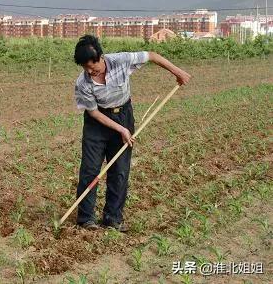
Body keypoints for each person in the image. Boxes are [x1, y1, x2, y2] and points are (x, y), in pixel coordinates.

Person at [73, 35, 191, 231]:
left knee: (119, 170)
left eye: (93, 67)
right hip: (97, 122)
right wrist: (121, 130)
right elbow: (93, 112)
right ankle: (86, 219)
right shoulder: (82, 83)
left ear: (101, 57)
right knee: (90, 169)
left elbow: (152, 55)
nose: (90, 71)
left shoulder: (121, 60)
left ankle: (112, 218)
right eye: (85, 68)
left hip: (123, 114)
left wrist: (177, 72)